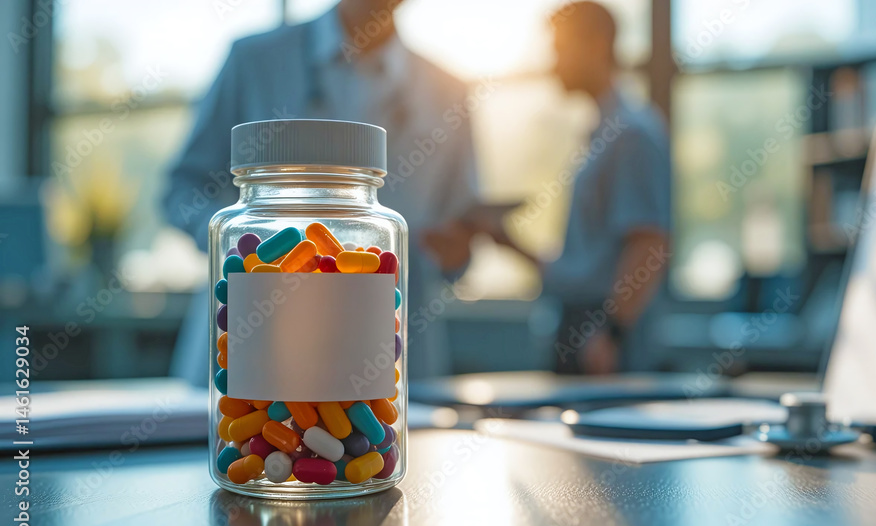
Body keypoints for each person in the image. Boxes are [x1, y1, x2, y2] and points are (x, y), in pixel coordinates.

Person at [163, 0, 479, 387]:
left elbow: (461, 228)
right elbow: (182, 188)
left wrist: (455, 251)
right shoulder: (254, 58)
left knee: (366, 442)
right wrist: (244, 247)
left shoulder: (451, 90)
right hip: (255, 315)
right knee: (249, 441)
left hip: (387, 342)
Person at [499, 2, 672, 374]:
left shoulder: (632, 135)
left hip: (603, 339)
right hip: (585, 326)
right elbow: (584, 266)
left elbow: (649, 244)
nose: (553, 63)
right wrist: (507, 241)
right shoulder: (603, 136)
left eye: (560, 49)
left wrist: (612, 334)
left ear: (595, 45)